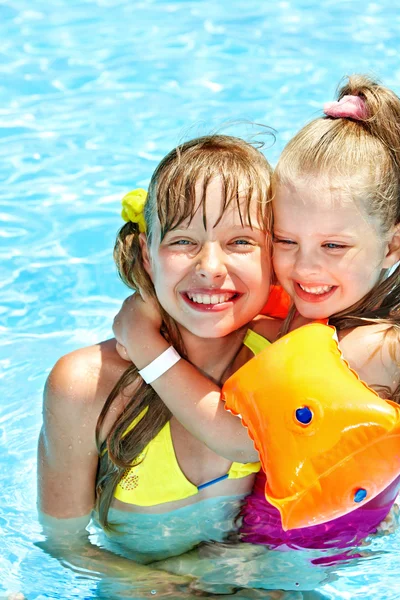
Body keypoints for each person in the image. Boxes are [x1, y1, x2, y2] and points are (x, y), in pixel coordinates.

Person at [112, 74, 400, 558]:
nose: (304, 268)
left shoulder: (368, 347)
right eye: (285, 240)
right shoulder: (330, 310)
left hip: (298, 554)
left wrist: (144, 342)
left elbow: (239, 440)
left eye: (334, 246)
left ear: (393, 245)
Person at [37, 134, 280, 576]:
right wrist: (148, 586)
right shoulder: (86, 385)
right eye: (184, 241)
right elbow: (64, 545)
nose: (210, 266)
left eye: (241, 242)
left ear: (275, 258)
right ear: (148, 257)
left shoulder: (284, 361)